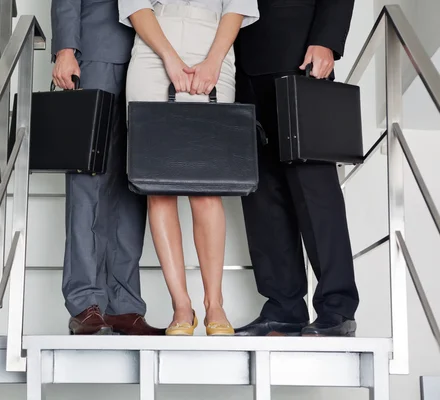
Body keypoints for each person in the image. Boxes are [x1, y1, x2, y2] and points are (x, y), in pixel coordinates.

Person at [119, 0, 259, 336]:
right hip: (153, 51)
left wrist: (214, 61)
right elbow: (134, 3)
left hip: (213, 46)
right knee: (158, 185)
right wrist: (169, 57)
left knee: (207, 186)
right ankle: (181, 305)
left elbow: (238, 4)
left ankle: (215, 304)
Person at [233, 0, 359, 337]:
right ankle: (283, 307)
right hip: (239, 63)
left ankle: (337, 306)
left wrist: (328, 40)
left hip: (300, 54)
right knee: (260, 192)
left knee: (315, 189)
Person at [51, 0, 164, 335]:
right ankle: (84, 300)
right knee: (89, 178)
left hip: (153, 59)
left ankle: (124, 305)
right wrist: (65, 48)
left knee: (136, 184)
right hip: (97, 53)